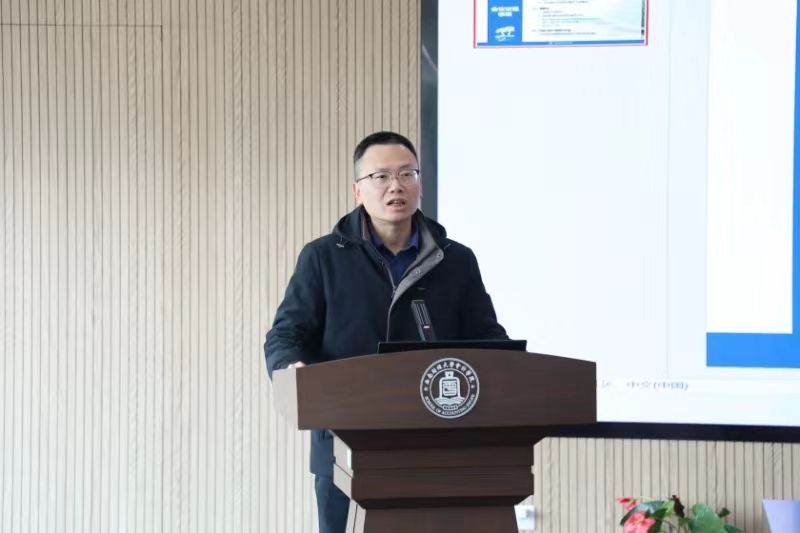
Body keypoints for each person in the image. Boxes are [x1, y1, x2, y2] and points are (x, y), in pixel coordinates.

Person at [264, 131, 507, 533]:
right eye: (381, 176)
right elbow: (286, 335)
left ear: (420, 185)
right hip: (344, 450)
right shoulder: (323, 258)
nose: (396, 186)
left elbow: (489, 340)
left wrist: (513, 374)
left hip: (438, 449)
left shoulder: (456, 260)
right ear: (358, 190)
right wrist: (293, 370)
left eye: (407, 174)